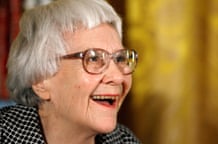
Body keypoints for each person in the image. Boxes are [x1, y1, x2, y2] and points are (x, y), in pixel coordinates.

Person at [0, 0, 140, 143]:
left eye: (120, 58)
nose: (118, 77)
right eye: (93, 58)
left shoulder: (123, 140)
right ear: (40, 79)